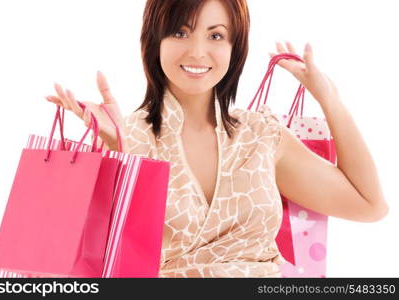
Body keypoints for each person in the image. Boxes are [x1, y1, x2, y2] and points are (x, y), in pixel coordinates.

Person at [45, 0, 389, 278]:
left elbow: (368, 205)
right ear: (154, 41)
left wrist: (330, 99)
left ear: (234, 48)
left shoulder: (260, 135)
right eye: (180, 32)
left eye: (216, 36)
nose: (197, 51)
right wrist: (118, 152)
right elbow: (98, 262)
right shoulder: (127, 136)